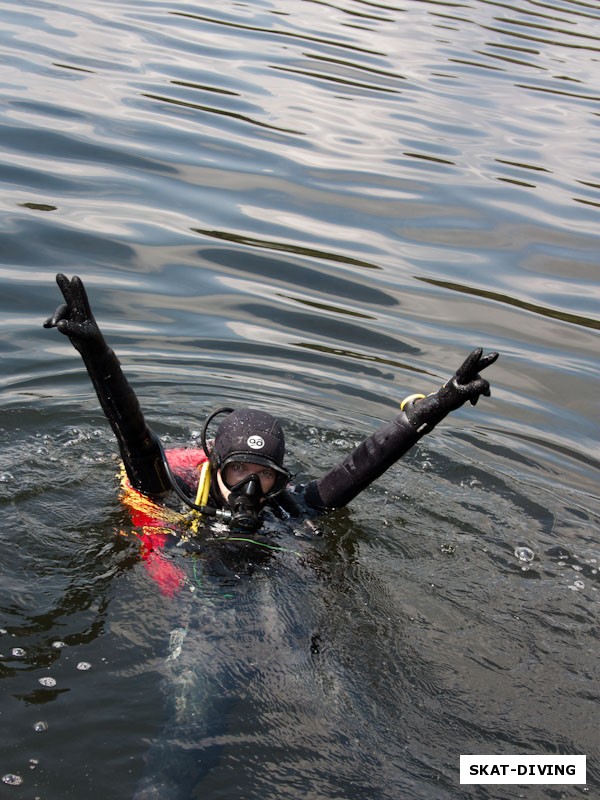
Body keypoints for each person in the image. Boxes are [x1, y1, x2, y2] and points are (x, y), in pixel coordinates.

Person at [44, 273, 499, 539]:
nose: (252, 489)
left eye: (264, 475)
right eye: (240, 471)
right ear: (214, 466)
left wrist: (436, 406)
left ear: (281, 478)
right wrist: (96, 351)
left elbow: (365, 462)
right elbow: (132, 431)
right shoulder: (171, 492)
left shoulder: (289, 508)